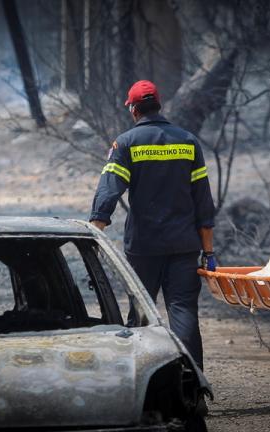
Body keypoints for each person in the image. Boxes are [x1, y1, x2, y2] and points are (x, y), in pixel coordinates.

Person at [89, 80, 216, 370]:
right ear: (158, 105)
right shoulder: (188, 142)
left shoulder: (126, 143)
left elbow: (109, 192)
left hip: (144, 247)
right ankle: (192, 388)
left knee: (141, 315)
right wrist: (208, 252)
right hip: (184, 246)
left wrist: (94, 236)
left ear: (133, 109)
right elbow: (203, 202)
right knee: (184, 312)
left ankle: (139, 382)